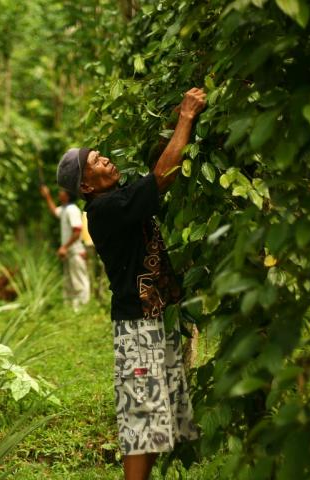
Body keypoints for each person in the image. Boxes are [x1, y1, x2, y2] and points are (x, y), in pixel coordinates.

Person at [56, 88, 207, 480]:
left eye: (101, 155)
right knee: (143, 425)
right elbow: (161, 177)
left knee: (158, 425)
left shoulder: (119, 195)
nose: (105, 159)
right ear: (87, 186)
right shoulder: (105, 209)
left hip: (159, 320)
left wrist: (174, 123)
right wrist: (187, 119)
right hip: (139, 327)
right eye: (96, 162)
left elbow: (157, 165)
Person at [39, 185, 90, 309]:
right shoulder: (65, 209)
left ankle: (83, 309)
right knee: (70, 283)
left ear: (67, 195)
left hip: (75, 252)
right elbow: (55, 211)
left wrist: (64, 247)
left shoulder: (72, 210)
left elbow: (77, 231)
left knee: (79, 282)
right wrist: (47, 196)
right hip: (69, 252)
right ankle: (72, 311)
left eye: (62, 191)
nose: (59, 193)